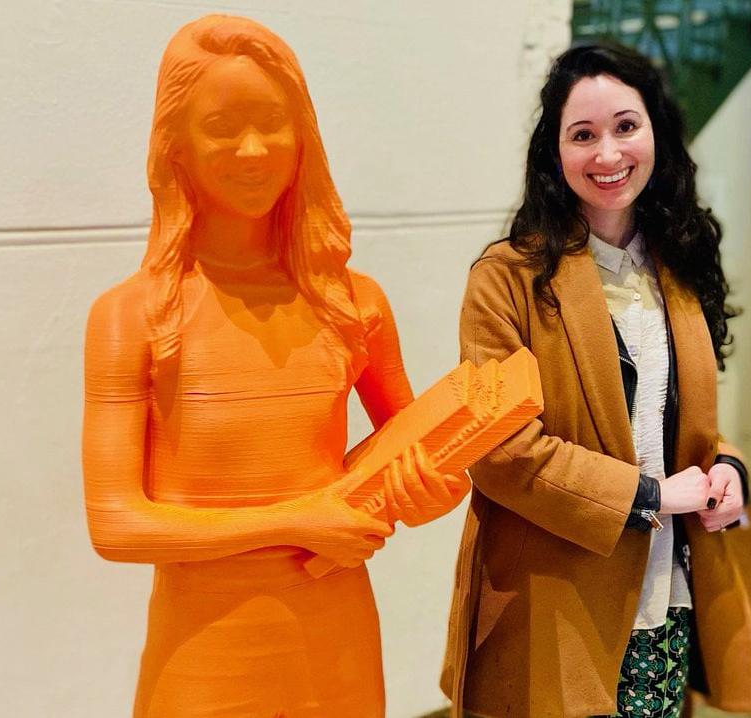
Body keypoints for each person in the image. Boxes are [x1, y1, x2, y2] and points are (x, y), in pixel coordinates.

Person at [82, 15, 467, 717]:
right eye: (223, 127)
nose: (253, 150)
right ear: (178, 146)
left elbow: (426, 458)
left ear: (303, 136)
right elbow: (116, 524)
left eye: (271, 123)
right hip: (201, 647)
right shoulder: (130, 317)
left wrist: (432, 488)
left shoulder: (354, 303)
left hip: (336, 640)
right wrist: (298, 520)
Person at [440, 44, 751, 718]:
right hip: (556, 598)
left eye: (626, 126)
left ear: (657, 133)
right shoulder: (507, 278)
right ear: (554, 154)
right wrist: (650, 495)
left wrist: (727, 466)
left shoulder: (679, 264)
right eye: (582, 135)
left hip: (664, 595)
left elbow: (676, 416)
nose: (607, 153)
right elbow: (498, 452)